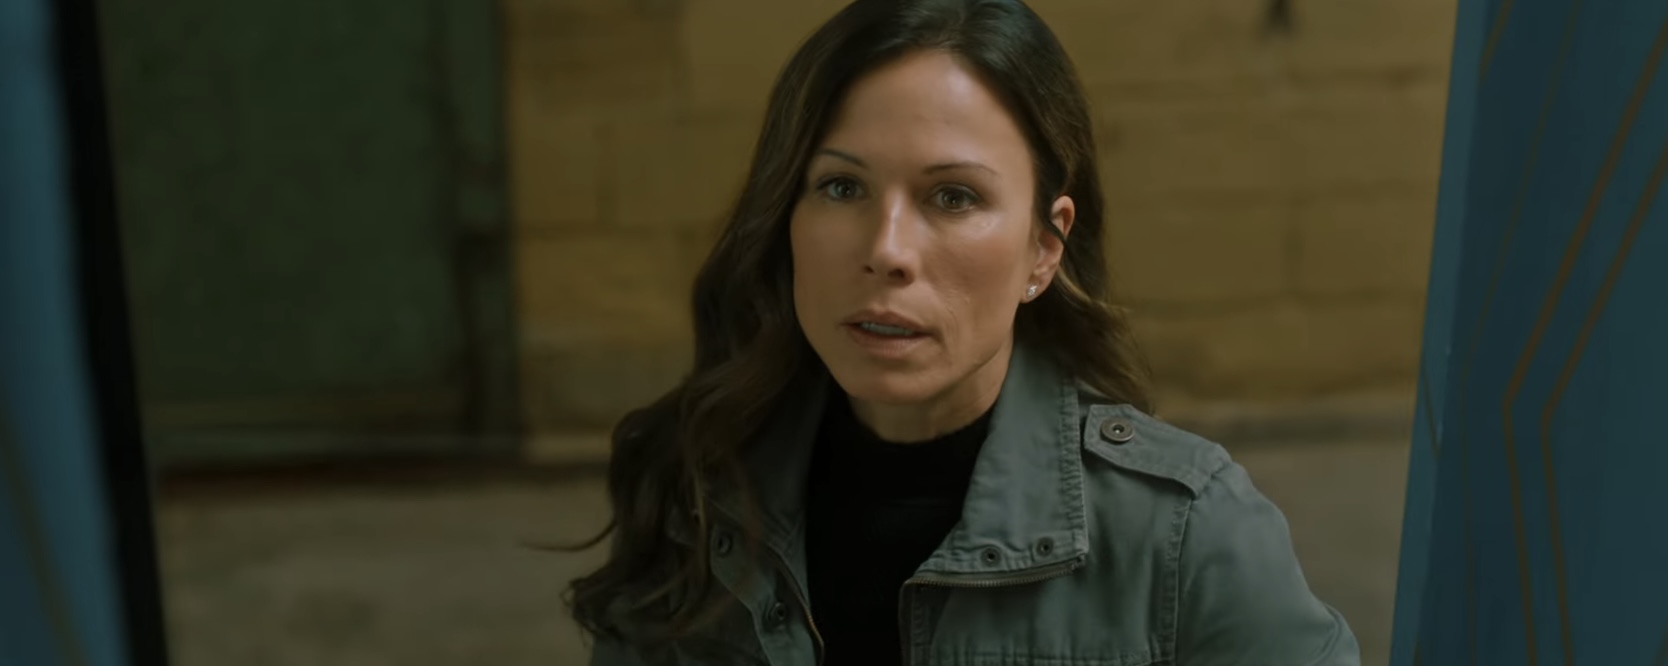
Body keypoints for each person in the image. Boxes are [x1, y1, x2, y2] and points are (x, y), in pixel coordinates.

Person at [566, 0, 1361, 664]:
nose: (887, 250)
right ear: (785, 218)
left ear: (1043, 249)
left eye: (953, 197)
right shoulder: (699, 493)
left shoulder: (1187, 533)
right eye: (841, 187)